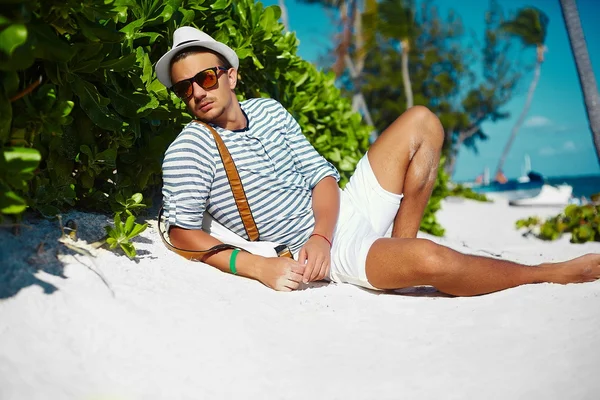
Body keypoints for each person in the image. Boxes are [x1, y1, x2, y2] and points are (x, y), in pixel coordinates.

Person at [155, 26, 600, 295]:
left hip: (336, 219)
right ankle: (549, 272)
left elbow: (320, 177)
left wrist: (322, 234)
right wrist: (256, 265)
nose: (197, 92)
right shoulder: (190, 148)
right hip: (322, 251)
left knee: (422, 121)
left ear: (231, 75)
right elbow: (180, 232)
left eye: (206, 77)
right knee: (434, 262)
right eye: (184, 88)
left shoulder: (269, 110)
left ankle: (398, 249)